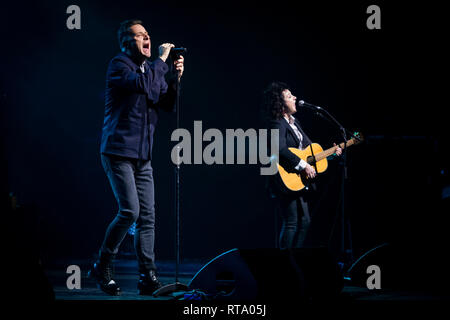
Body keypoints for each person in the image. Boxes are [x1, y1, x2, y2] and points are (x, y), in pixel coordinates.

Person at [89, 19, 184, 296]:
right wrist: (162, 61)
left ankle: (148, 275)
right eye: (140, 35)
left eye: (148, 35)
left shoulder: (150, 71)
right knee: (130, 211)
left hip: (143, 156)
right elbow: (143, 84)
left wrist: (175, 80)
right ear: (125, 42)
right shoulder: (119, 65)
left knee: (148, 216)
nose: (147, 38)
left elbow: (166, 103)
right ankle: (103, 263)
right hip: (118, 151)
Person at [262, 82, 342, 249]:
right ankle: (285, 265)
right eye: (290, 96)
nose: (295, 98)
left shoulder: (294, 123)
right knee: (291, 222)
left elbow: (310, 152)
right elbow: (280, 148)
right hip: (283, 179)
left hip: (298, 180)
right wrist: (303, 165)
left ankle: (296, 261)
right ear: (280, 104)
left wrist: (332, 154)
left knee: (305, 222)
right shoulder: (276, 122)